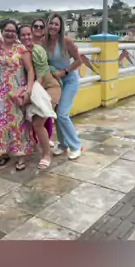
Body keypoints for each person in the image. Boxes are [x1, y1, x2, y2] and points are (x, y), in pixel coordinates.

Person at [0, 19, 35, 170]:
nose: (10, 33)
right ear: (2, 31)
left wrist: (28, 89)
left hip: (16, 92)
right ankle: (3, 153)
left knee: (18, 123)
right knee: (0, 123)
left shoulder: (21, 49)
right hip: (0, 94)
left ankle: (21, 156)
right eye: (7, 30)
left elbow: (30, 70)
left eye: (13, 31)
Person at [17, 24, 60, 169]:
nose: (26, 37)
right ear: (19, 37)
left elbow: (40, 77)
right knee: (28, 120)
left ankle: (47, 154)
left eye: (29, 34)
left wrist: (28, 93)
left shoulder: (38, 50)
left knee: (38, 122)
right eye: (23, 35)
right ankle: (37, 145)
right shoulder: (19, 51)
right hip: (34, 89)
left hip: (49, 88)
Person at [45, 13, 83, 159]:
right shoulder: (44, 42)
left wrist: (64, 71)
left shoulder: (66, 41)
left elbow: (79, 61)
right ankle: (63, 145)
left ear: (60, 27)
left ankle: (76, 146)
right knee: (57, 114)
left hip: (69, 80)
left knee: (62, 113)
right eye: (51, 23)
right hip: (56, 82)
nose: (53, 26)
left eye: (56, 24)